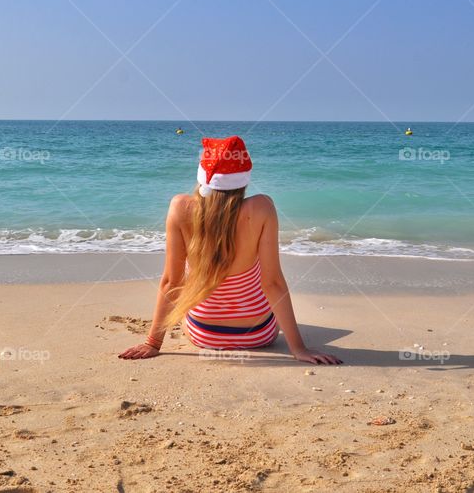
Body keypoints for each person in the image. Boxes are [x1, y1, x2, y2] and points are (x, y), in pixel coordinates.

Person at [119, 135, 342, 365]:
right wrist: (298, 349)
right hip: (258, 334)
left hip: (204, 334)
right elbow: (272, 283)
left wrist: (152, 343)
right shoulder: (262, 207)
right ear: (243, 179)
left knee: (190, 277)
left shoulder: (180, 208)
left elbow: (171, 282)